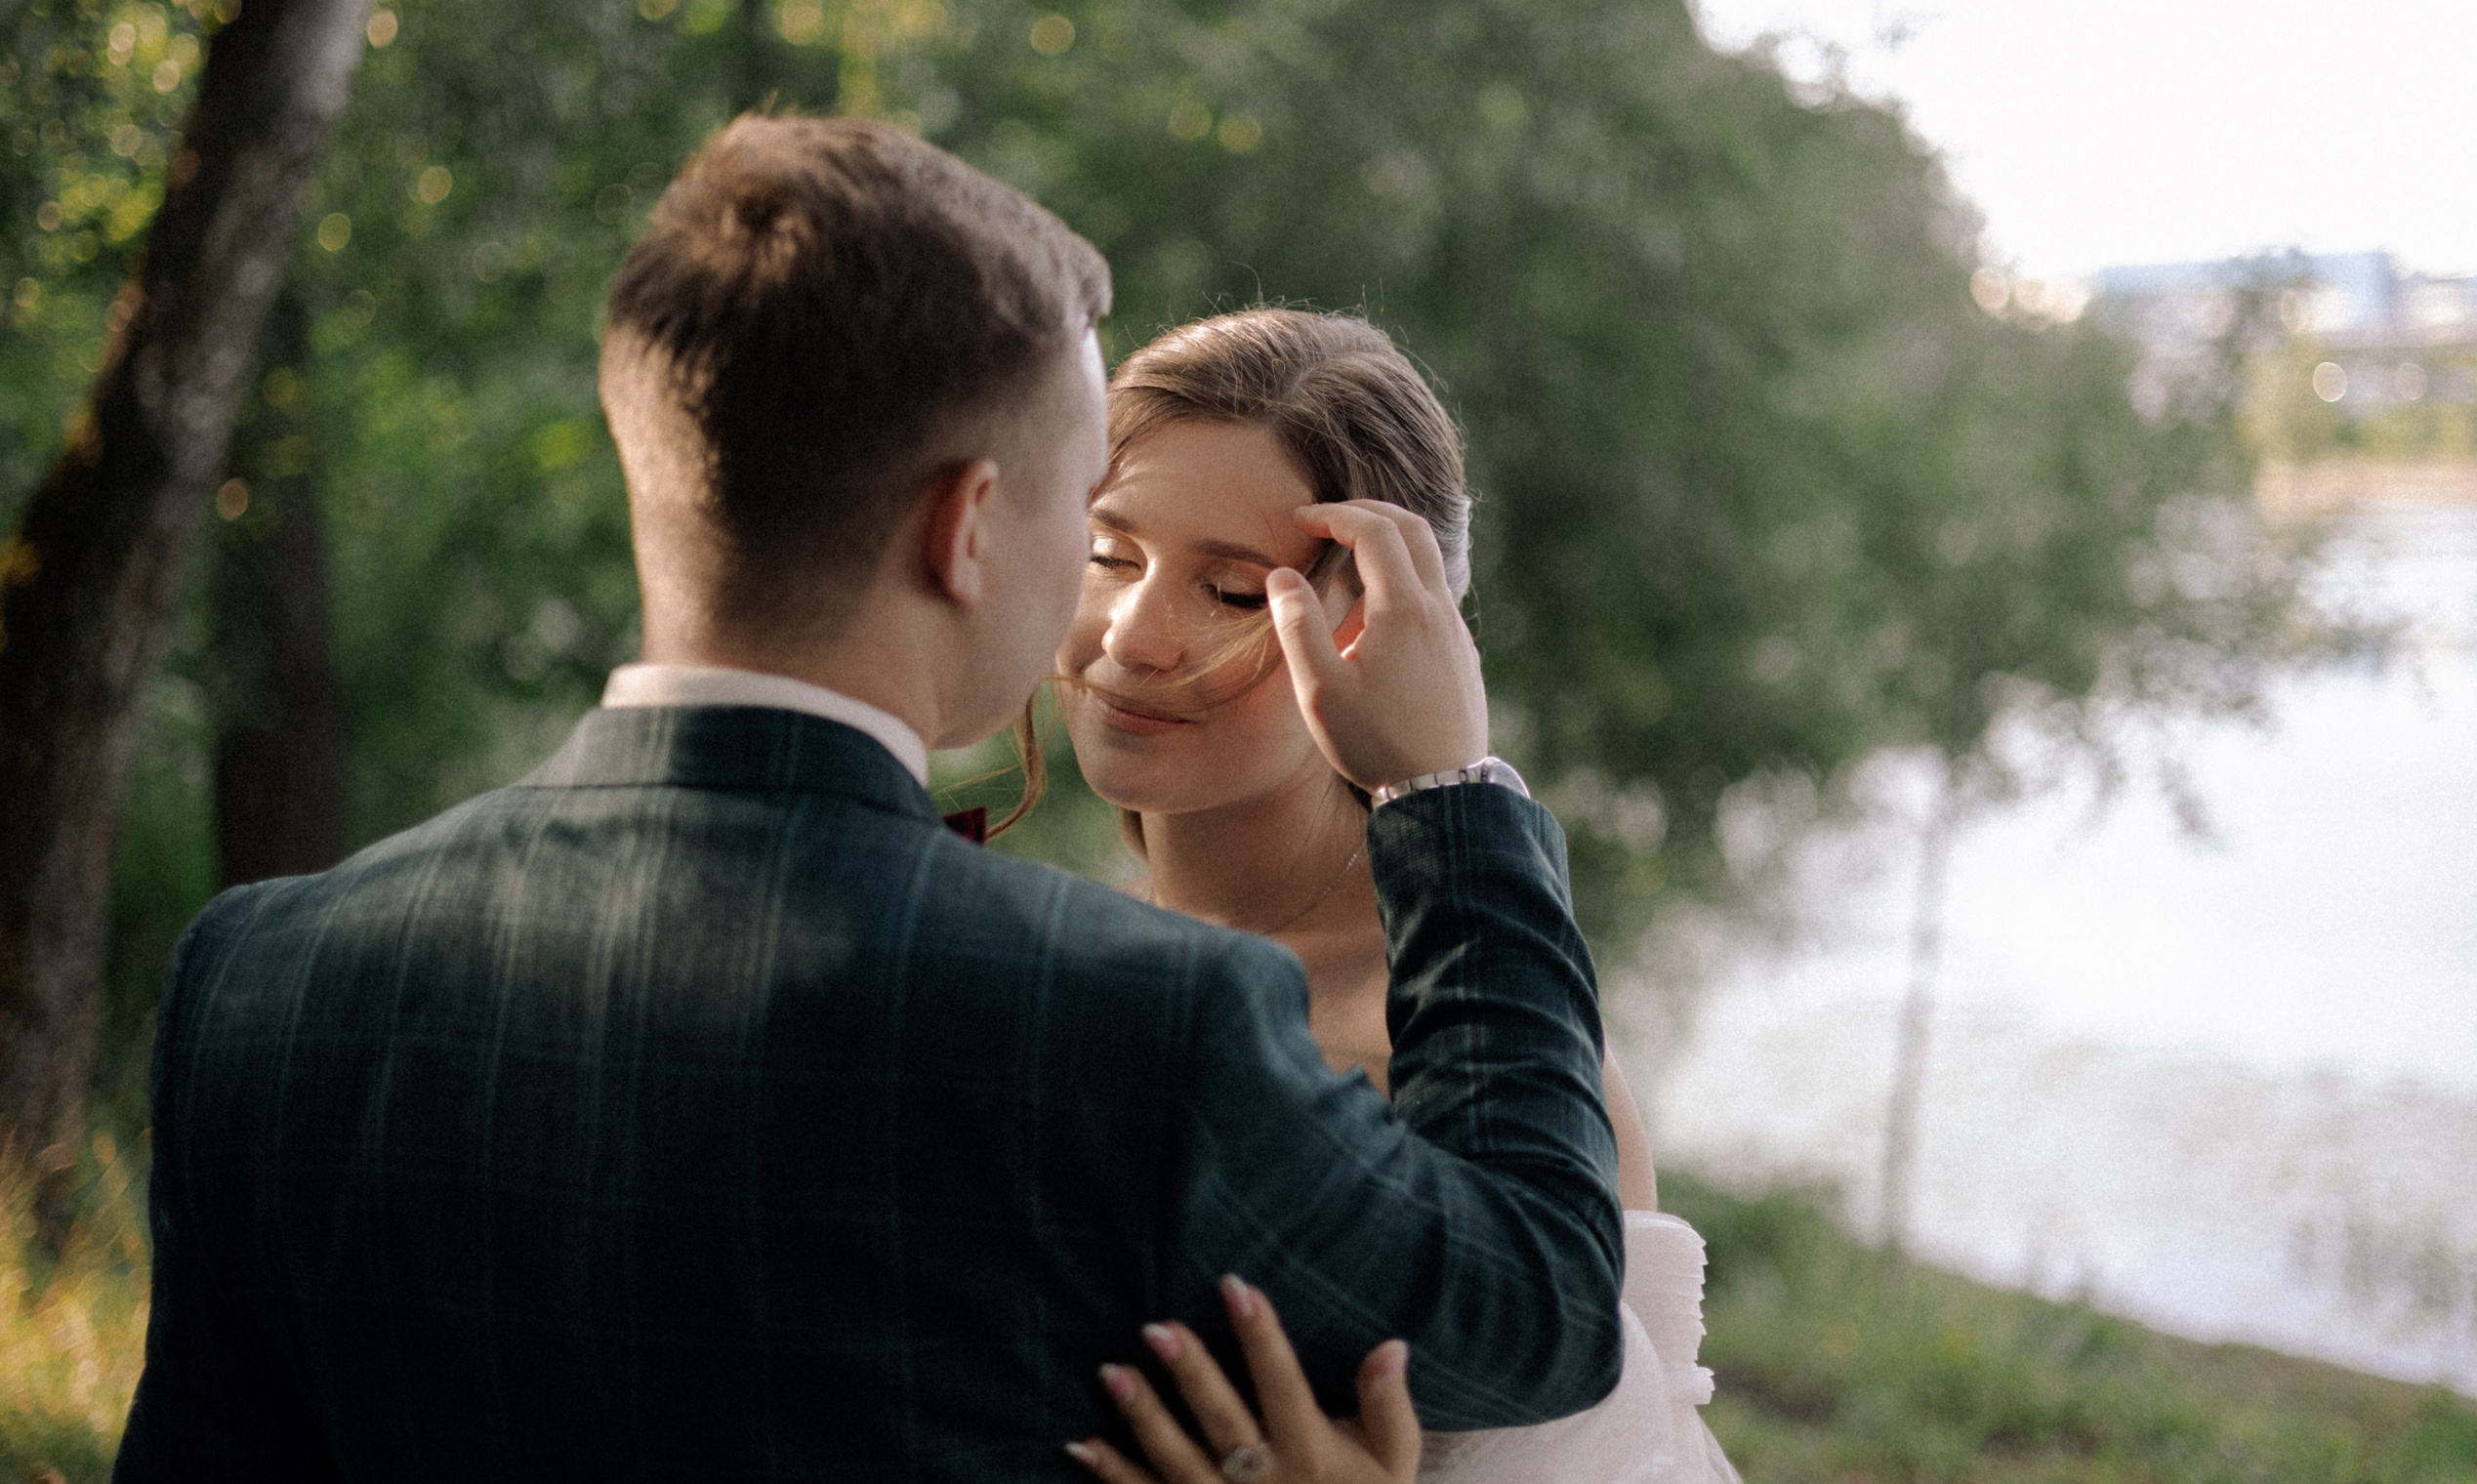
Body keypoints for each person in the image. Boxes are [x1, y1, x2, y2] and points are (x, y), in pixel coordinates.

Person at [113, 117, 1627, 1481]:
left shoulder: (259, 975)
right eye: (1089, 529)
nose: (1120, 622)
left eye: (1226, 585)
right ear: (973, 525)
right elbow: (1547, 1300)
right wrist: (1449, 791)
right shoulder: (1128, 1029)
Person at [1055, 309, 1743, 1484]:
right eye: (1110, 554)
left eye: (1229, 593)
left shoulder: (1458, 1048)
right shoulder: (1075, 947)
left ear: (1376, 624)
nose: (1134, 633)